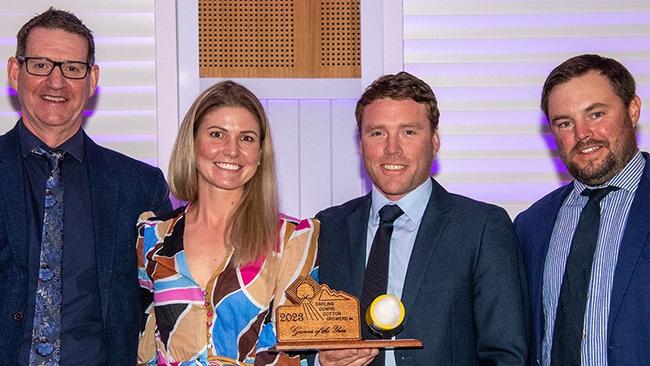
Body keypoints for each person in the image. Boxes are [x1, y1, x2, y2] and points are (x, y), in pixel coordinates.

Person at [315, 72, 528, 366]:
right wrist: (319, 360)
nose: (392, 148)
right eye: (377, 132)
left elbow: (506, 355)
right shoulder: (327, 228)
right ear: (361, 142)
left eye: (408, 132)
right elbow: (302, 340)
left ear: (435, 141)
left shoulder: (482, 228)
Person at [0, 8, 172, 365]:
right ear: (15, 72)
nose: (56, 82)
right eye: (41, 64)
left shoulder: (139, 186)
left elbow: (167, 305)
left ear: (92, 80)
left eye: (72, 68)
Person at [136, 80, 319, 365]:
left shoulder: (292, 239)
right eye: (217, 134)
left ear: (260, 154)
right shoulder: (152, 238)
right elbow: (145, 346)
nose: (231, 150)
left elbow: (298, 353)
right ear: (192, 144)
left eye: (246, 138)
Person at [515, 54, 650, 365]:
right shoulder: (531, 226)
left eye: (596, 114)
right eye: (565, 122)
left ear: (632, 110)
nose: (582, 134)